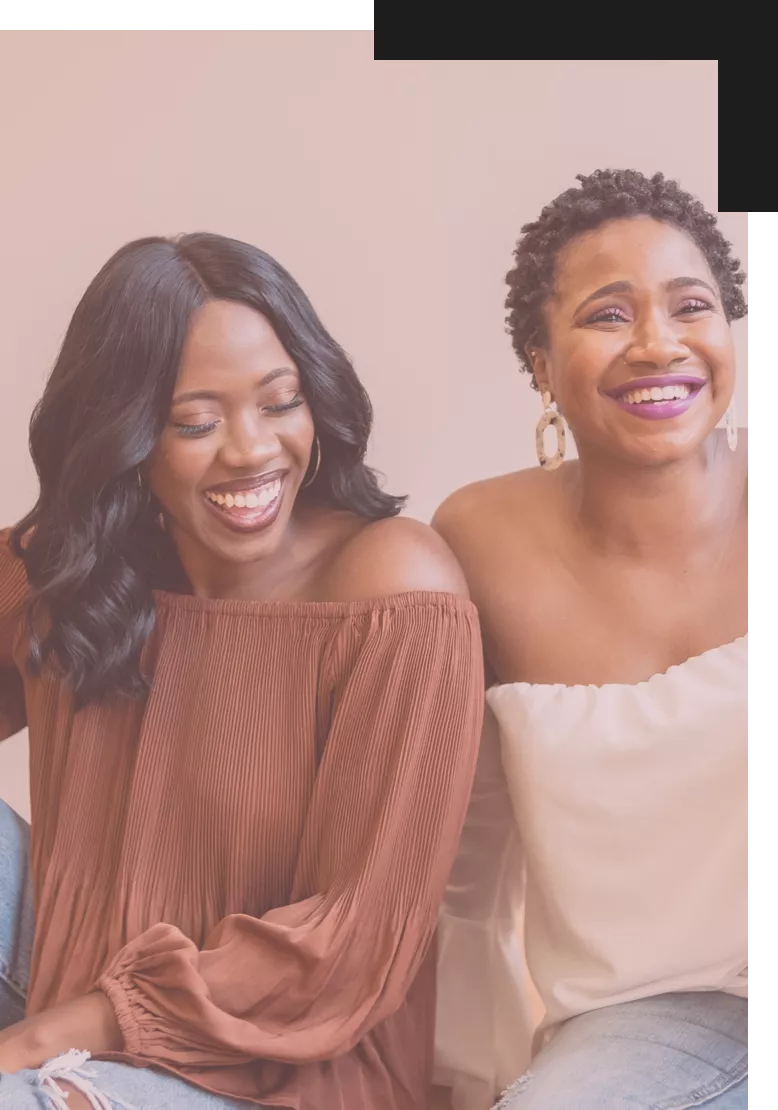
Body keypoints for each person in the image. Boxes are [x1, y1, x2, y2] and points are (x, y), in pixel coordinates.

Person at [0, 232, 484, 1110]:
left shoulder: (394, 589)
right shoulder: (84, 570)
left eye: (280, 402)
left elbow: (352, 941)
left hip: (286, 1070)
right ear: (127, 438)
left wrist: (36, 1043)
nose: (252, 451)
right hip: (71, 989)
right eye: (195, 422)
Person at [432, 170, 747, 1109]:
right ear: (539, 359)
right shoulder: (478, 540)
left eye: (692, 306)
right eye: (610, 315)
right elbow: (465, 853)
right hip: (648, 1021)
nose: (658, 344)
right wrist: (453, 1074)